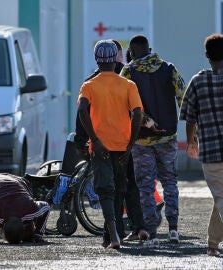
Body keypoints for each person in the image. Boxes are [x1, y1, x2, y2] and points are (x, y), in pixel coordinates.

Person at [75, 39, 150, 242]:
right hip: (123, 145)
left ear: (97, 60)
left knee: (105, 189)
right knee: (121, 188)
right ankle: (116, 232)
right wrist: (130, 142)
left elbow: (81, 110)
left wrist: (94, 140)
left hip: (100, 146)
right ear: (115, 58)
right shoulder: (128, 85)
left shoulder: (89, 85)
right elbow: (137, 114)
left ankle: (112, 234)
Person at [180, 33, 223, 258]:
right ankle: (222, 242)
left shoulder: (197, 81)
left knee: (222, 198)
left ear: (206, 55)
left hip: (210, 151)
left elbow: (189, 117)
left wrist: (191, 142)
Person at [120, 34, 185, 247]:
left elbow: (127, 105)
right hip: (168, 135)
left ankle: (152, 232)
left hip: (141, 140)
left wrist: (148, 122)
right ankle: (174, 228)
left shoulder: (128, 72)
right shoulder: (169, 68)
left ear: (132, 51)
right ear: (149, 49)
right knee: (170, 182)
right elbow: (182, 96)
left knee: (145, 186)